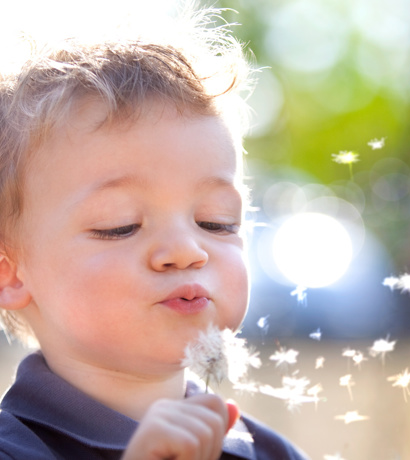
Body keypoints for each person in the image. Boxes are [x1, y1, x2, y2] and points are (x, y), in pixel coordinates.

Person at [0, 5, 308, 459]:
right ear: (11, 273)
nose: (187, 250)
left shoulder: (269, 452)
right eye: (119, 226)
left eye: (215, 222)